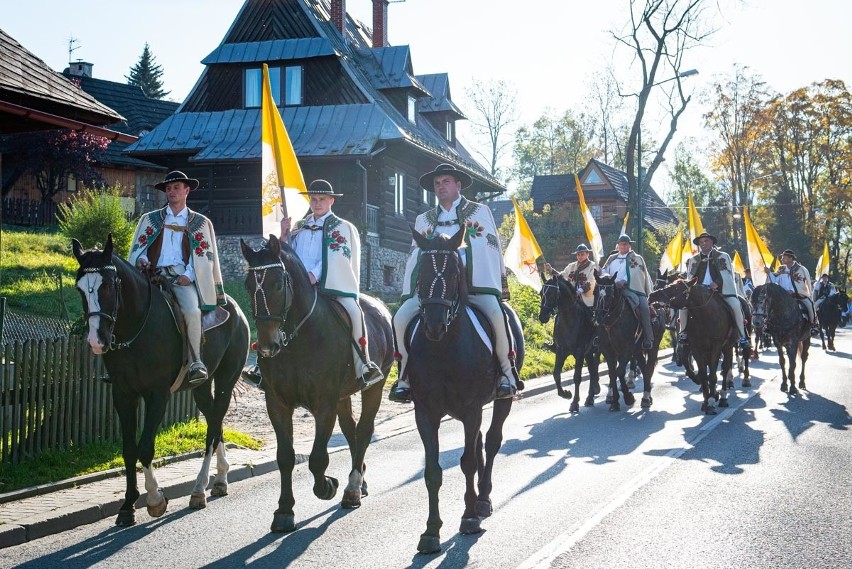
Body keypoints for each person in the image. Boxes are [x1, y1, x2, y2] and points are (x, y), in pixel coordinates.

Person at [388, 164, 517, 403]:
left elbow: (487, 247)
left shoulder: (479, 213)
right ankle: (404, 377)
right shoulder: (423, 220)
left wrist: (456, 263)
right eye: (437, 183)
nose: (441, 187)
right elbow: (416, 256)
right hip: (434, 291)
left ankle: (506, 374)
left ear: (458, 185)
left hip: (473, 285)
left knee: (497, 315)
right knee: (399, 318)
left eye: (446, 181)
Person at [242, 180, 384, 390]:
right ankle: (262, 368)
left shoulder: (342, 227)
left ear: (331, 201)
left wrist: (313, 276)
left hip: (330, 286)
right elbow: (286, 255)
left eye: (322, 199)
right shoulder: (298, 227)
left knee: (355, 313)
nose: (317, 203)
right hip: (299, 288)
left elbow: (337, 258)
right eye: (314, 199)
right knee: (273, 313)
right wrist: (283, 235)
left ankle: (363, 364)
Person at [129, 170, 226, 384]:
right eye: (169, 188)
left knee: (191, 311)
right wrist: (142, 260)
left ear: (186, 191)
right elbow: (139, 247)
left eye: (176, 188)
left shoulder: (199, 222)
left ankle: (195, 362)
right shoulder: (150, 219)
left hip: (181, 278)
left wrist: (189, 275)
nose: (172, 192)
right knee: (128, 305)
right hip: (151, 275)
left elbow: (203, 256)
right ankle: (125, 360)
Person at [679, 232, 750, 349]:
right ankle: (683, 333)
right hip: (699, 292)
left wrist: (717, 283)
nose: (703, 244)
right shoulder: (694, 260)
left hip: (720, 291)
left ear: (712, 242)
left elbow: (726, 274)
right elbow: (690, 277)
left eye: (706, 241)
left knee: (736, 305)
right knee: (683, 307)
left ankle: (742, 336)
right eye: (701, 242)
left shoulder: (722, 256)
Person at [600, 234, 655, 350]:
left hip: (631, 289)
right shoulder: (612, 258)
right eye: (621, 244)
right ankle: (598, 337)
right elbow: (604, 271)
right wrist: (605, 276)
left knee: (644, 308)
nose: (623, 246)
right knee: (599, 304)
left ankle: (648, 338)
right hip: (612, 289)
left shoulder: (636, 258)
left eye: (625, 244)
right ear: (618, 245)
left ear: (630, 245)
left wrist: (624, 281)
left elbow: (636, 274)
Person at [763, 249, 816, 328]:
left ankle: (813, 324)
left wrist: (793, 291)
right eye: (782, 257)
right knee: (769, 304)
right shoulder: (781, 268)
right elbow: (774, 280)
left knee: (810, 304)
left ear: (791, 258)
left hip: (798, 295)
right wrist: (769, 273)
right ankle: (768, 324)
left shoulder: (801, 269)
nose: (782, 259)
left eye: (784, 257)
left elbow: (802, 284)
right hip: (782, 296)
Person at [543, 243, 598, 309]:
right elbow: (561, 276)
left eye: (582, 254)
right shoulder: (571, 266)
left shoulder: (593, 266)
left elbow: (591, 281)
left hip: (586, 299)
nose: (580, 256)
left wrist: (580, 290)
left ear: (587, 254)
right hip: (570, 298)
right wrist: (551, 270)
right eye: (578, 255)